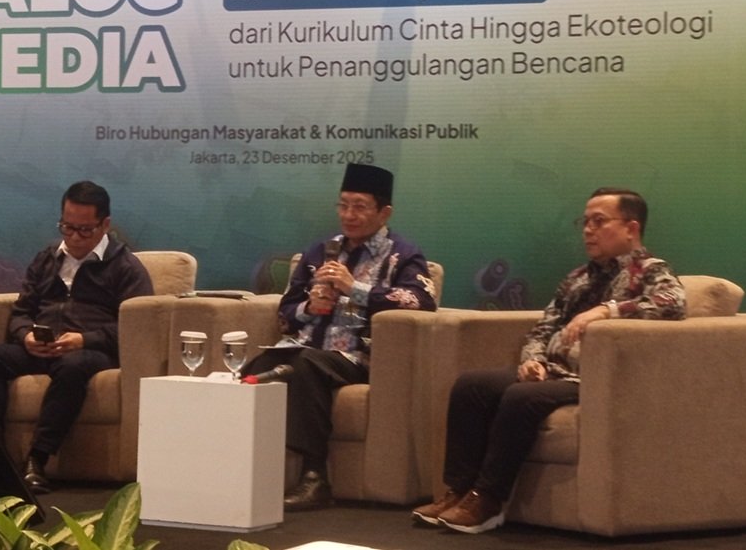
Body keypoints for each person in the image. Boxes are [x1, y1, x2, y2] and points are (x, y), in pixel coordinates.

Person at [414, 187, 686, 534]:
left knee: (520, 397)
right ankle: (458, 491)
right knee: (472, 385)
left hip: (593, 379)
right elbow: (544, 327)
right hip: (554, 371)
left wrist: (607, 310)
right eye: (584, 222)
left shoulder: (651, 270)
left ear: (631, 228)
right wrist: (533, 360)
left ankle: (489, 499)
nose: (588, 230)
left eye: (599, 221)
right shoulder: (577, 277)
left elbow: (673, 302)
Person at [242, 163, 438, 511]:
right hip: (305, 347)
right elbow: (286, 313)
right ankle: (246, 471)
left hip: (357, 355)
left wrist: (355, 288)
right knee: (257, 368)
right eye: (343, 205)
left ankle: (315, 476)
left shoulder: (403, 255)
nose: (349, 215)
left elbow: (420, 301)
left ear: (384, 212)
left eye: (359, 207)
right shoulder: (320, 251)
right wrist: (310, 307)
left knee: (304, 366)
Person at [0, 180, 153, 494]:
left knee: (73, 366)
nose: (74, 237)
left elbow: (137, 327)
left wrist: (85, 339)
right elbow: (21, 311)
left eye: (85, 230)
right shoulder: (47, 258)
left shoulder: (125, 267)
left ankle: (37, 460)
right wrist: (26, 335)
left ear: (105, 225)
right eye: (67, 227)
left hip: (90, 352)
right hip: (41, 348)